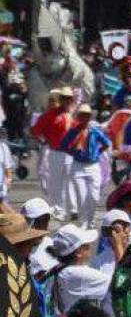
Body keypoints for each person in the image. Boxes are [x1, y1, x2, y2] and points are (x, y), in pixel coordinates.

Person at [48, 224, 124, 314]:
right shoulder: (77, 274)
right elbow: (121, 282)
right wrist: (118, 245)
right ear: (78, 252)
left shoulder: (59, 268)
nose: (91, 246)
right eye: (87, 245)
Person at [58, 104, 112, 227]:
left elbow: (106, 143)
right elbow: (63, 146)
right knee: (81, 197)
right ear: (79, 117)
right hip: (78, 166)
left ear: (90, 117)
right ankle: (83, 222)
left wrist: (97, 153)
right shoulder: (73, 131)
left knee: (94, 197)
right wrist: (73, 152)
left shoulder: (94, 131)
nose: (84, 118)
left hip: (93, 166)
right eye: (82, 115)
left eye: (87, 116)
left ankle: (91, 219)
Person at [31, 88, 73, 220]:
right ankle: (56, 208)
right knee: (56, 182)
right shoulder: (50, 115)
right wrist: (44, 140)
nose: (67, 101)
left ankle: (70, 208)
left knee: (70, 181)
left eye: (69, 98)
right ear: (60, 100)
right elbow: (35, 130)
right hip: (56, 153)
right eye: (64, 98)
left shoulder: (74, 114)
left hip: (72, 154)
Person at [90, 209, 131, 277]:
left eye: (126, 226)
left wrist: (118, 246)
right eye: (115, 230)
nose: (125, 232)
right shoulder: (98, 262)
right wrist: (118, 246)